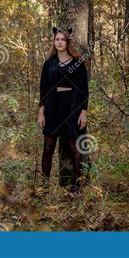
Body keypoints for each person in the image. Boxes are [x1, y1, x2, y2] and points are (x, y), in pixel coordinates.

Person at [37, 27, 89, 192]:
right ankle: (44, 187)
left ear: (67, 42)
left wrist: (83, 111)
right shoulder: (49, 64)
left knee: (75, 147)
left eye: (62, 40)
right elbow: (43, 89)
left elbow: (83, 89)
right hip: (53, 108)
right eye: (57, 39)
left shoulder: (77, 62)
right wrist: (41, 111)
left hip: (72, 108)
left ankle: (76, 187)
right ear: (54, 42)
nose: (59, 42)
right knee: (48, 148)